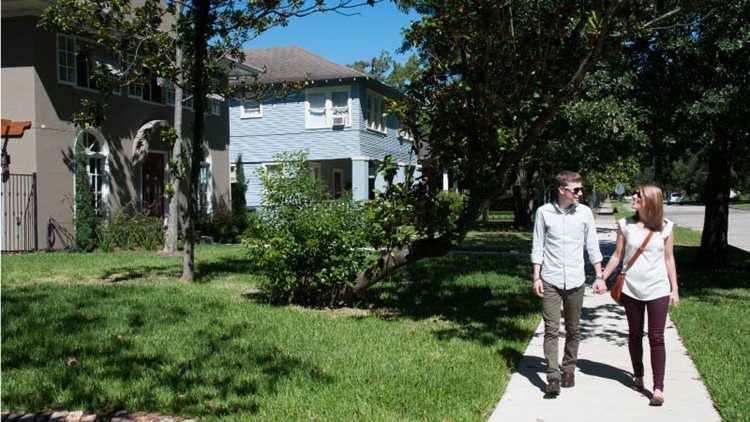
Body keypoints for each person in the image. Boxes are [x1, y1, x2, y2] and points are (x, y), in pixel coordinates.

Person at [601, 183, 679, 406]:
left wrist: (674, 288)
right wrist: (602, 278)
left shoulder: (666, 227)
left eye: (639, 195)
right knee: (635, 334)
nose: (633, 196)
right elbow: (617, 256)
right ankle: (638, 375)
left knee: (656, 337)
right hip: (632, 288)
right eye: (634, 193)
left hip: (658, 289)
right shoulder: (624, 225)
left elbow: (668, 259)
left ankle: (658, 388)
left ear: (651, 201)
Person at [531, 171, 605, 396]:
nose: (580, 193)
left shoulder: (584, 213)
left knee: (573, 329)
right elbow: (538, 246)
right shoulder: (543, 213)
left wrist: (599, 276)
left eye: (581, 189)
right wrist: (536, 277)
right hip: (550, 279)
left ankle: (569, 369)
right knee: (551, 329)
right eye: (576, 190)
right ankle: (552, 376)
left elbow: (592, 245)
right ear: (562, 190)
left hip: (575, 280)